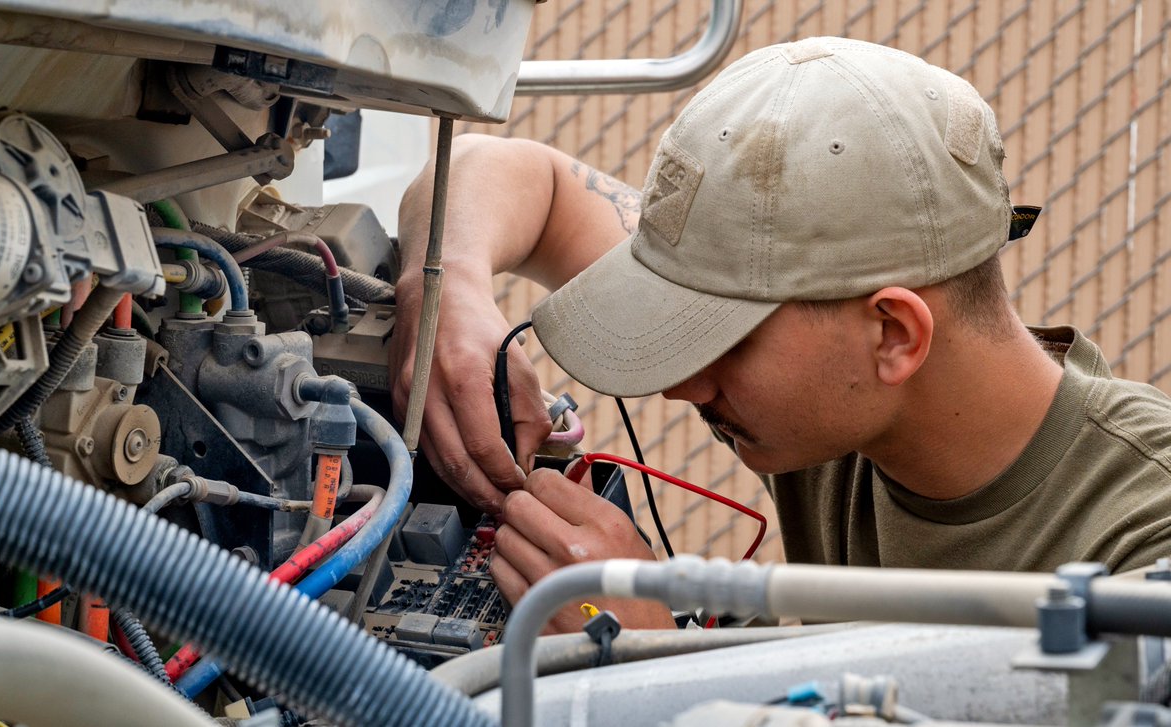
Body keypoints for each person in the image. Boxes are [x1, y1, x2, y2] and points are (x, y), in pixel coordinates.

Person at [389, 37, 1171, 633]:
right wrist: (447, 292)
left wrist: (654, 670)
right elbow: (518, 176)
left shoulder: (1142, 544)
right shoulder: (853, 396)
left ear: (895, 333)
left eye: (720, 337)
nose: (682, 384)